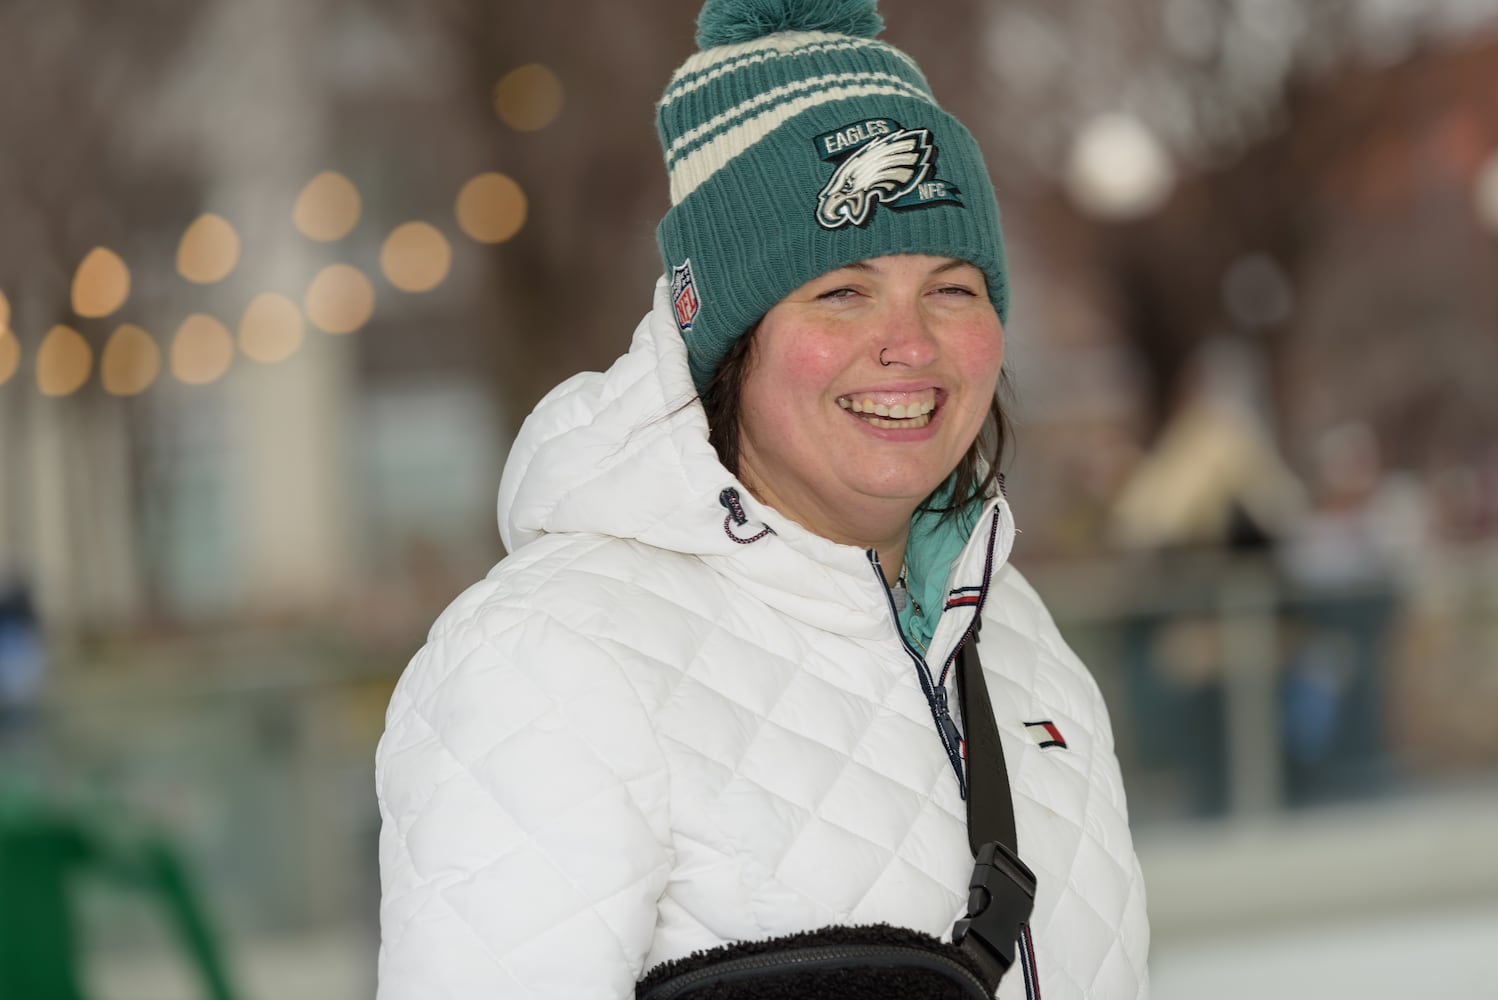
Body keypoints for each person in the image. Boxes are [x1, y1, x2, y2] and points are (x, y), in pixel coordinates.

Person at [375, 1, 1150, 997]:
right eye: (841, 291)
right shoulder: (549, 657)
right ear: (725, 334)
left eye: (953, 288)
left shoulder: (1020, 642)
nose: (909, 345)